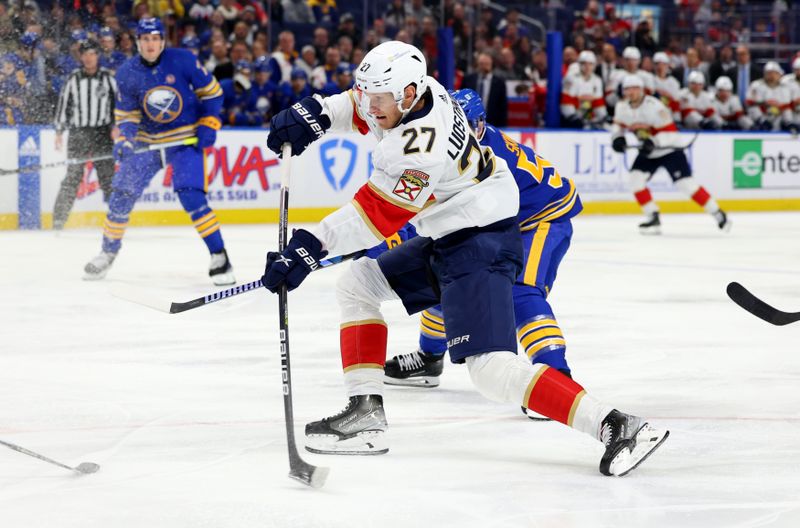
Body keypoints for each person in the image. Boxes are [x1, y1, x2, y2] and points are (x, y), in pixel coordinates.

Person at [262, 41, 668, 476]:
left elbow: (376, 215)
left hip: (480, 242)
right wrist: (318, 114)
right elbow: (356, 107)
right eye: (368, 93)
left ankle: (615, 424)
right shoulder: (414, 93)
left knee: (490, 371)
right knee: (357, 284)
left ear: (407, 94)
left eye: (379, 98)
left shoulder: (421, 147)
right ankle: (365, 415)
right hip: (454, 230)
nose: (369, 104)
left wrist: (309, 245)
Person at [382, 89, 580, 414]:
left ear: (481, 124)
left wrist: (387, 236)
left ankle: (557, 377)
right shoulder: (449, 145)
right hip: (502, 218)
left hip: (543, 218)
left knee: (521, 292)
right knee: (449, 276)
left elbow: (422, 207)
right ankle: (430, 359)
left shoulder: (487, 156)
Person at [83, 18, 235, 285]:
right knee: (121, 195)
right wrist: (125, 139)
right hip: (147, 142)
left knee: (191, 197)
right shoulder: (128, 72)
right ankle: (107, 253)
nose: (150, 44)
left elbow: (212, 93)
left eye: (155, 38)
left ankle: (219, 255)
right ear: (138, 42)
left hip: (184, 140)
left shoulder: (184, 60)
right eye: (145, 39)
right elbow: (127, 113)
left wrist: (209, 122)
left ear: (163, 40)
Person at [611, 75, 730, 234]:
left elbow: (670, 133)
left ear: (641, 89)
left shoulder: (655, 106)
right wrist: (618, 138)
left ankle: (718, 213)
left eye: (634, 88)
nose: (630, 92)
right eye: (627, 89)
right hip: (649, 152)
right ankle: (652, 216)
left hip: (670, 149)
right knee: (635, 180)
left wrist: (654, 142)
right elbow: (618, 127)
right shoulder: (622, 107)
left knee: (685, 185)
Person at [52, 40, 117, 230]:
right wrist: (59, 131)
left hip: (102, 133)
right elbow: (64, 105)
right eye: (85, 54)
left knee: (108, 177)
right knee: (73, 175)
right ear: (81, 57)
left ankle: (117, 217)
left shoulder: (108, 78)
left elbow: (118, 106)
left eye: (92, 54)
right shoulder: (73, 79)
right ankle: (59, 219)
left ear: (97, 56)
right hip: (79, 133)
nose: (89, 58)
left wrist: (117, 126)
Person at [746, 61, 797, 133]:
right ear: (764, 74)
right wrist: (765, 103)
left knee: (787, 111)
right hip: (761, 115)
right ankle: (761, 122)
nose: (772, 76)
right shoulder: (756, 85)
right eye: (769, 73)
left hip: (778, 115)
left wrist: (778, 106)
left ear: (780, 74)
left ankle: (789, 123)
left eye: (775, 73)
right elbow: (749, 102)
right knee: (753, 108)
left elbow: (786, 105)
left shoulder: (785, 87)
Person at [560, 50, 606, 129]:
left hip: (589, 116)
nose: (587, 67)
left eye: (590, 64)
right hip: (572, 117)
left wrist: (603, 116)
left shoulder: (597, 80)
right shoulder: (571, 78)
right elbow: (566, 103)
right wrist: (573, 117)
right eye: (584, 64)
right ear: (579, 64)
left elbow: (599, 103)